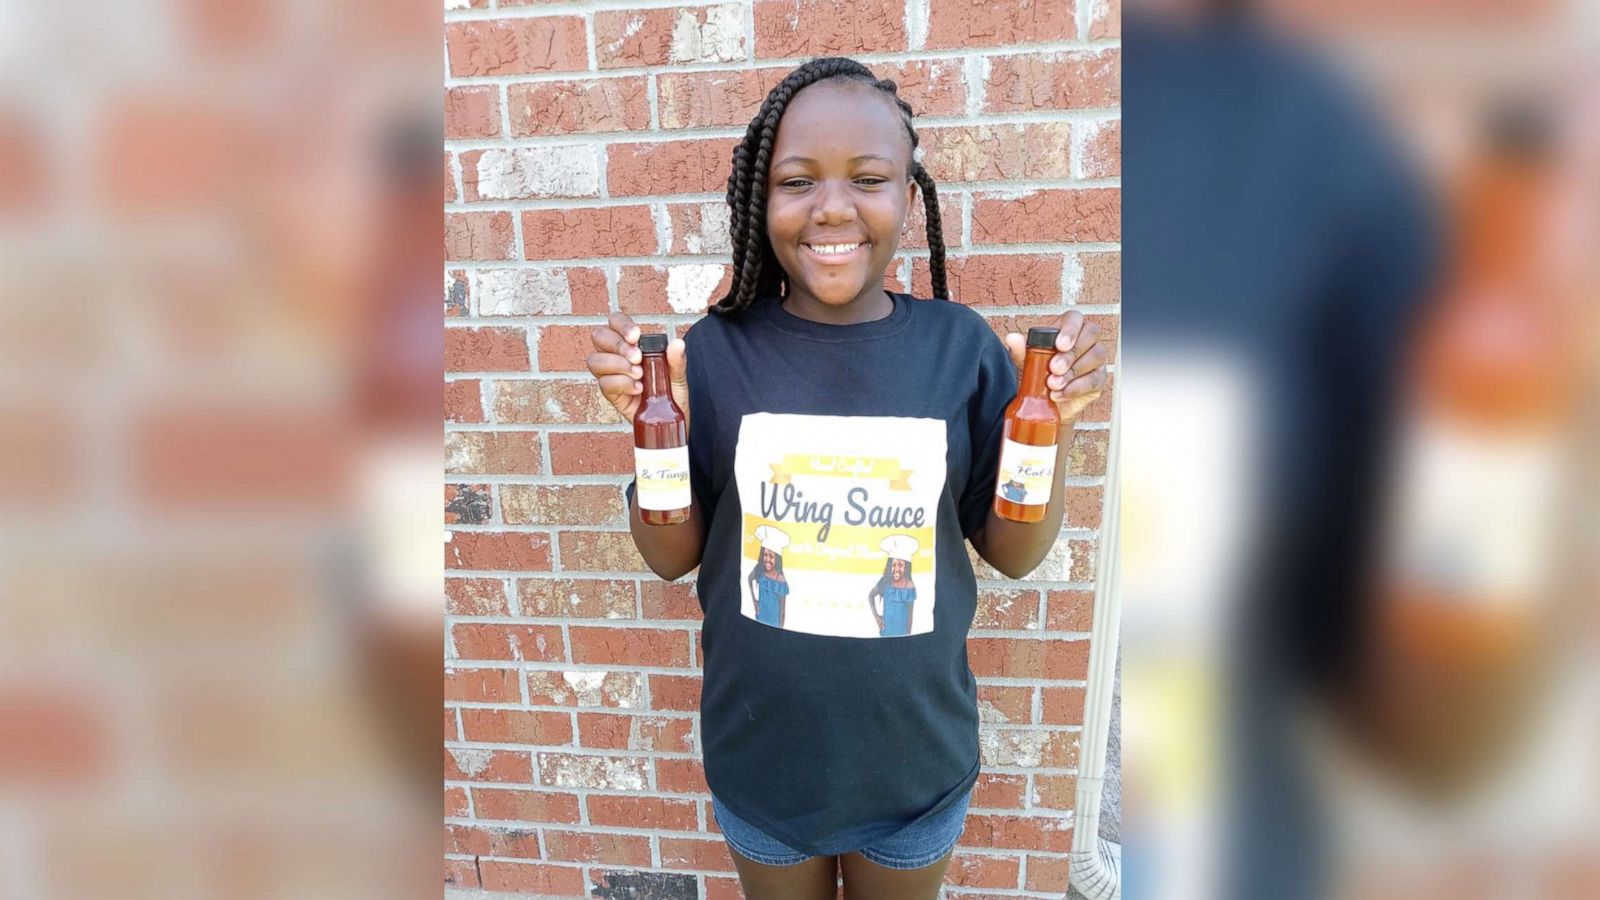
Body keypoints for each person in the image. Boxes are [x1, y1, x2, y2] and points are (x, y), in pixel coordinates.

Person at [585, 57, 1109, 900]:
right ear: (762, 200)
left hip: (913, 770)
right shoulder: (715, 355)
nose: (833, 206)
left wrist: (1048, 440)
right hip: (765, 765)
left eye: (868, 178)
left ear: (910, 195)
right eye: (799, 181)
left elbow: (1014, 554)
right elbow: (669, 557)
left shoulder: (959, 349)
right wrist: (658, 438)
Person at [869, 534, 919, 637]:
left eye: (900, 565)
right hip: (886, 633)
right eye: (894, 564)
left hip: (902, 634)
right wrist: (877, 617)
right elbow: (871, 595)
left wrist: (908, 636)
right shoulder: (885, 581)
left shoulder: (909, 586)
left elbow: (910, 615)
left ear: (906, 568)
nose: (896, 569)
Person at [748, 525, 791, 628]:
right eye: (765, 555)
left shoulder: (780, 579)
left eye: (771, 556)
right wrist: (754, 600)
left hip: (774, 623)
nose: (767, 559)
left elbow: (782, 610)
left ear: (777, 559)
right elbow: (749, 578)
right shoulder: (760, 572)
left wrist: (780, 630)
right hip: (760, 617)